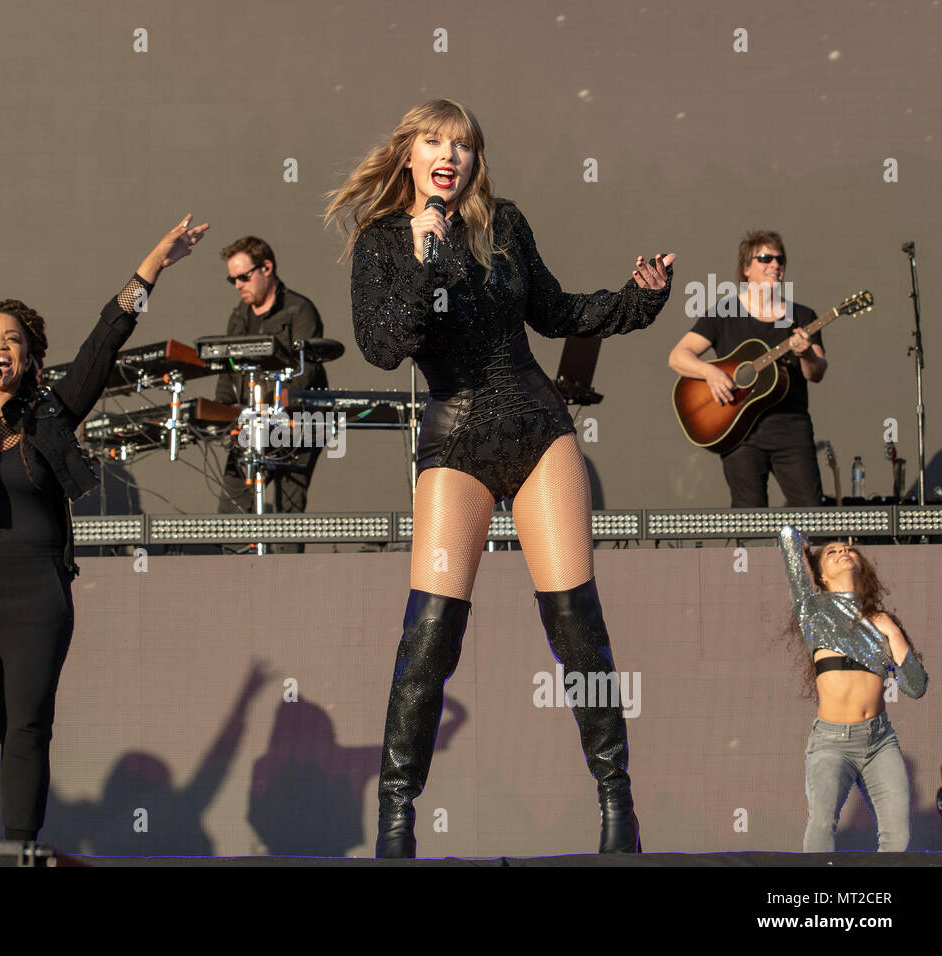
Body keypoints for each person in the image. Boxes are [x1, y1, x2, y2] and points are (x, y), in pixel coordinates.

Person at [326, 98, 675, 858]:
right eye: (433, 141)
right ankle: (396, 817)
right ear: (409, 155)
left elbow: (553, 311)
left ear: (474, 160)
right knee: (430, 634)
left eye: (462, 144)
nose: (448, 154)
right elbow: (385, 348)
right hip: (456, 442)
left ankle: (617, 803)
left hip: (537, 427)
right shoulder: (383, 241)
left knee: (576, 623)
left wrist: (638, 301)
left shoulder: (503, 224)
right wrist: (423, 258)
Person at [0, 215, 208, 843]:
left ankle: (17, 852)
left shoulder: (51, 413)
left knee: (25, 726)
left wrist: (153, 262)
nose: (0, 345)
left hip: (36, 589)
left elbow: (106, 340)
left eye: (12, 339)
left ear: (28, 357)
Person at [779, 526, 928, 852]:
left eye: (848, 549)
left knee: (897, 836)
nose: (843, 552)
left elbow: (916, 687)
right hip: (832, 743)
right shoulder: (815, 612)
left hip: (880, 741)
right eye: (831, 553)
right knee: (821, 823)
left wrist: (891, 630)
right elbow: (787, 536)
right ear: (821, 577)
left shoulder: (882, 622)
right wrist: (806, 545)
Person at [668, 231, 827, 507]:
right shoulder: (724, 313)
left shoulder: (801, 317)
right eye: (765, 258)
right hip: (739, 431)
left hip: (790, 428)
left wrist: (805, 355)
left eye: (780, 259)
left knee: (811, 513)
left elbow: (817, 373)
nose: (775, 264)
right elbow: (678, 356)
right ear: (746, 269)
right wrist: (711, 373)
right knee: (748, 516)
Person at [215, 237, 328, 552]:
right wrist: (223, 414)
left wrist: (274, 406)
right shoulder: (238, 316)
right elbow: (228, 372)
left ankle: (286, 588)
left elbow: (308, 371)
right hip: (251, 425)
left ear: (267, 267)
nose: (237, 285)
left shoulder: (299, 309)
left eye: (243, 276)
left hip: (297, 423)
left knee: (287, 514)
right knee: (232, 510)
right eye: (232, 279)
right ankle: (236, 585)